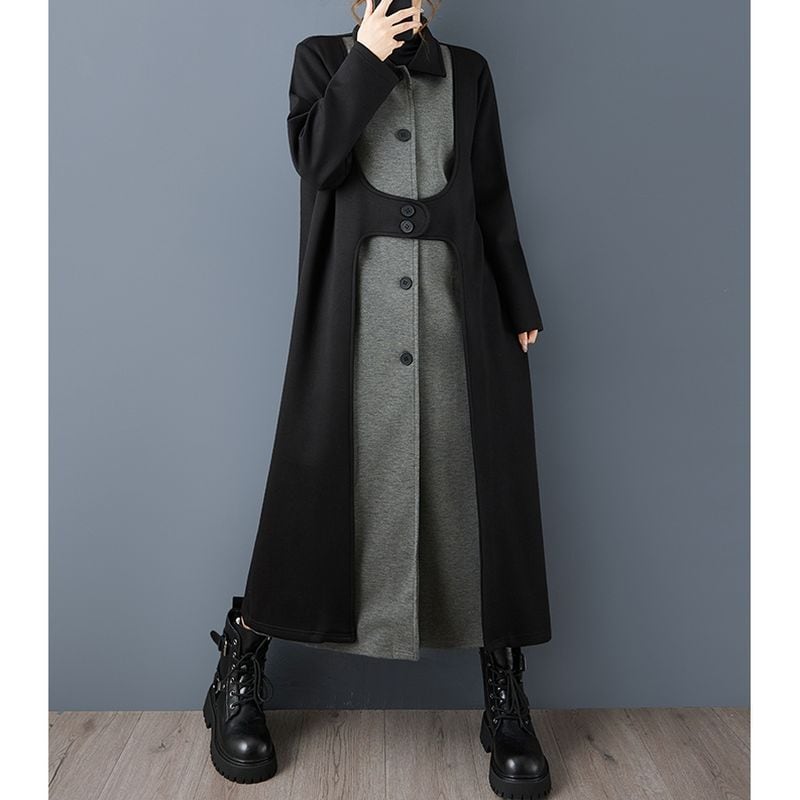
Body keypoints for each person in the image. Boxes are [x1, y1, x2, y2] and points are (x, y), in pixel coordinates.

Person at [203, 2, 553, 797]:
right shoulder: (321, 59)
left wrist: (518, 298)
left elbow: (491, 194)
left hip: (458, 316)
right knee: (318, 492)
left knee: (473, 498)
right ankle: (240, 665)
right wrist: (364, 59)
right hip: (352, 320)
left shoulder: (469, 72)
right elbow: (317, 160)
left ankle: (504, 698)